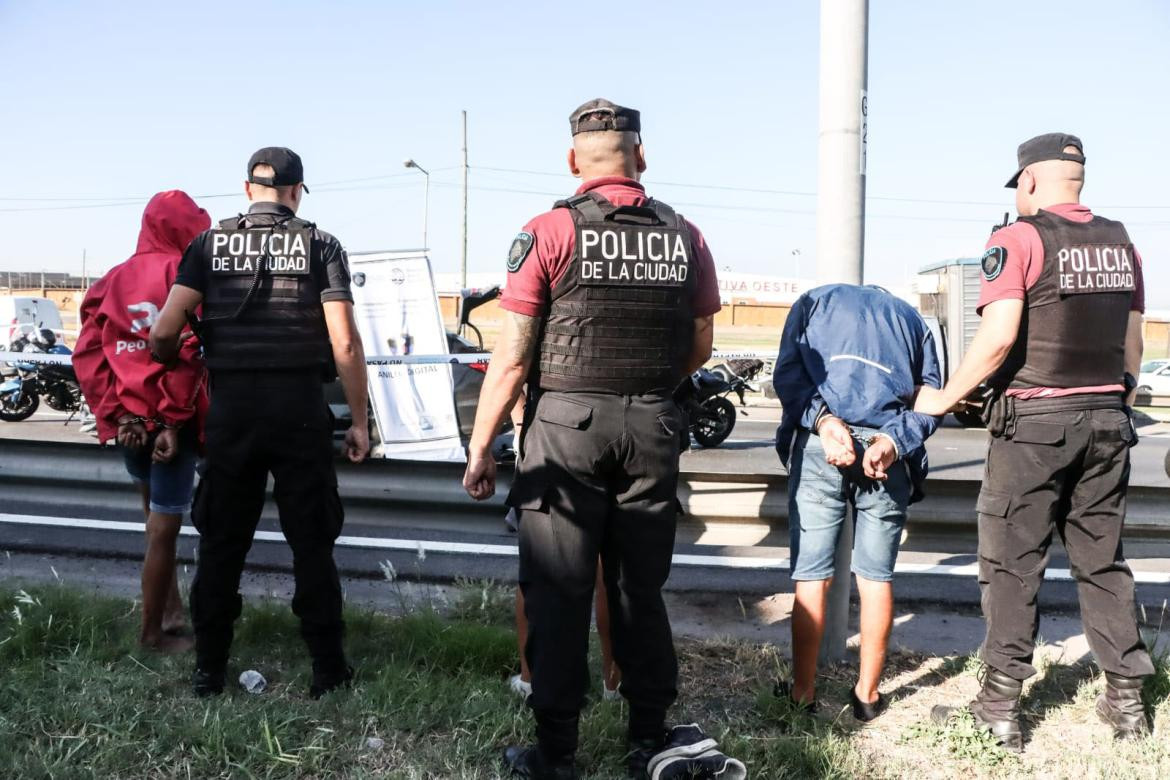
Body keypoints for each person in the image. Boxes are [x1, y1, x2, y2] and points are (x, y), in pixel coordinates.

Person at [462, 99, 741, 780]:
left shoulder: (549, 231)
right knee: (639, 591)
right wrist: (642, 389)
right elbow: (700, 344)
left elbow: (513, 356)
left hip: (565, 431)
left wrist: (480, 445)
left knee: (559, 592)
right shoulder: (686, 235)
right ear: (640, 157)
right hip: (653, 426)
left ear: (572, 161)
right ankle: (649, 737)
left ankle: (556, 755)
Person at [917, 133, 1153, 749]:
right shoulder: (1122, 243)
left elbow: (998, 339)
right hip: (1107, 419)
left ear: (1028, 183)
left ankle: (999, 709)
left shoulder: (1017, 238)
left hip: (1036, 427)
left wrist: (942, 398)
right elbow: (1134, 342)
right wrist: (1115, 399)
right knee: (1102, 562)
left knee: (1010, 565)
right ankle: (1128, 704)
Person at [150, 147, 370, 698]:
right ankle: (327, 671)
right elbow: (343, 342)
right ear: (296, 191)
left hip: (233, 413)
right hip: (298, 410)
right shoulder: (322, 245)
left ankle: (209, 672)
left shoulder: (206, 245)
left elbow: (161, 334)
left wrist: (171, 357)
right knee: (312, 544)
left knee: (222, 544)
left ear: (248, 189)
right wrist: (361, 422)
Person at [772, 284, 941, 721]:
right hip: (889, 452)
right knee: (875, 577)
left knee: (811, 576)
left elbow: (789, 376)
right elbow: (930, 399)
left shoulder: (815, 302)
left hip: (820, 446)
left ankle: (803, 694)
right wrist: (891, 441)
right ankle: (867, 695)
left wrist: (826, 423)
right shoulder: (911, 319)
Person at [73, 190, 211, 653]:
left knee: (153, 521)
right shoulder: (188, 278)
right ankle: (153, 635)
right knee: (164, 527)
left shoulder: (114, 278)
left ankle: (170, 612)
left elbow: (90, 353)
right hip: (171, 427)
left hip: (131, 427)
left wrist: (119, 412)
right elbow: (192, 356)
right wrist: (169, 419)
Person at [506, 396, 621, 702]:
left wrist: (519, 425)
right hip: (630, 425)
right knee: (612, 563)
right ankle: (614, 682)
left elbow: (510, 364)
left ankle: (533, 679)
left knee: (537, 560)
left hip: (551, 430)